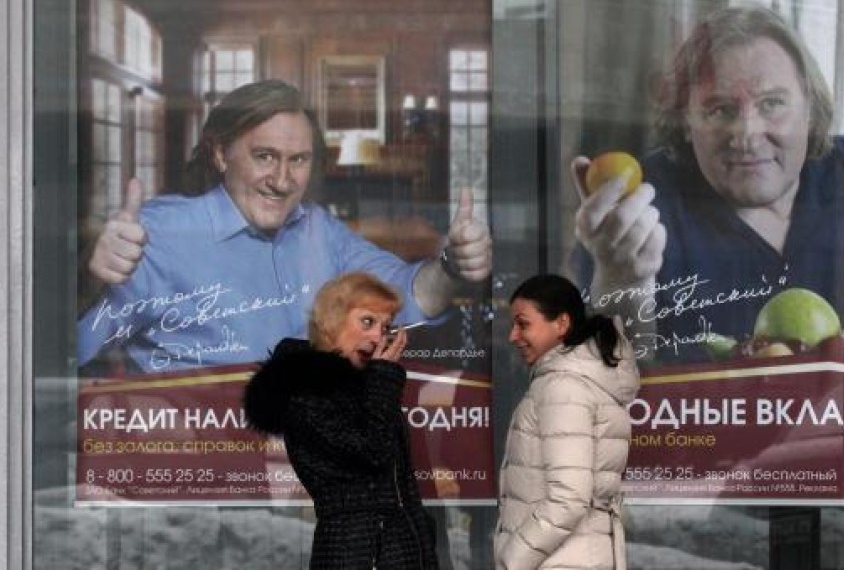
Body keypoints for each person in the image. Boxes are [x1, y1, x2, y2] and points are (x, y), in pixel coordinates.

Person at [571, 4, 844, 363]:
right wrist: (623, 284)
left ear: (810, 110)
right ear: (686, 122)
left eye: (772, 104)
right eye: (720, 109)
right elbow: (612, 396)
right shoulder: (634, 216)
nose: (746, 133)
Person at [78, 79, 492, 373]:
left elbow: (403, 296)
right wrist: (90, 277)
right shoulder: (159, 233)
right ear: (221, 155)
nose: (281, 180)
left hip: (296, 467)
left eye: (298, 160)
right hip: (193, 464)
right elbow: (66, 355)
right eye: (264, 156)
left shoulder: (320, 230)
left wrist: (453, 267)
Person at [244, 272, 438, 569]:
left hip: (395, 551)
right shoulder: (306, 389)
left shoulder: (366, 387)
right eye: (367, 322)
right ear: (332, 322)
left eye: (386, 326)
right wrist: (383, 379)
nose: (378, 337)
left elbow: (400, 489)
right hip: (357, 555)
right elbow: (371, 452)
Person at [494, 274, 639, 570]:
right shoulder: (576, 382)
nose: (513, 336)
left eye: (523, 324)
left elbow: (569, 498)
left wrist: (514, 558)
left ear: (561, 324)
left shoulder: (564, 388)